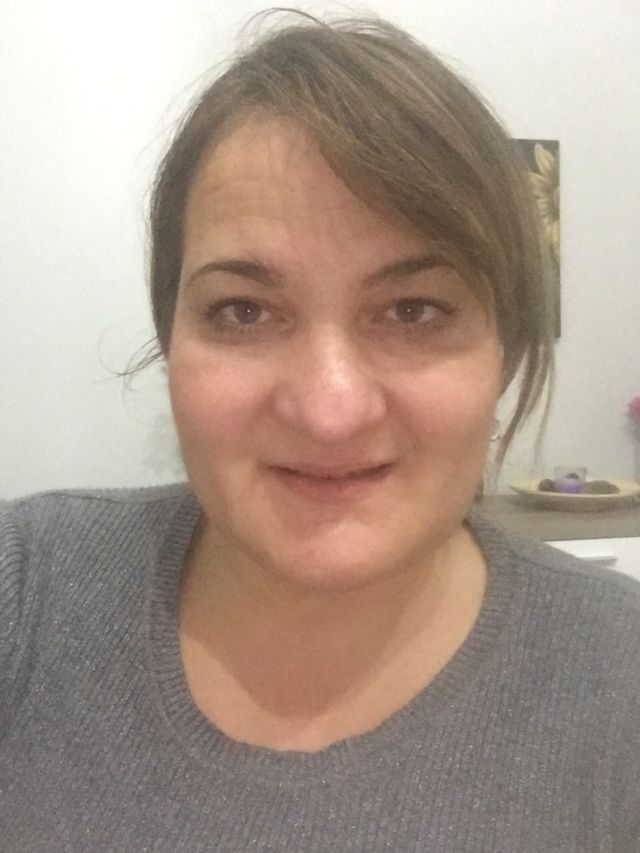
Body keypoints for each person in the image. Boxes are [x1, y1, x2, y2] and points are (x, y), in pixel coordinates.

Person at [1, 10, 639, 852]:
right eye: (244, 310)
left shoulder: (620, 680)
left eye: (414, 310)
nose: (330, 410)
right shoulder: (26, 592)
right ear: (170, 339)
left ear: (504, 349)